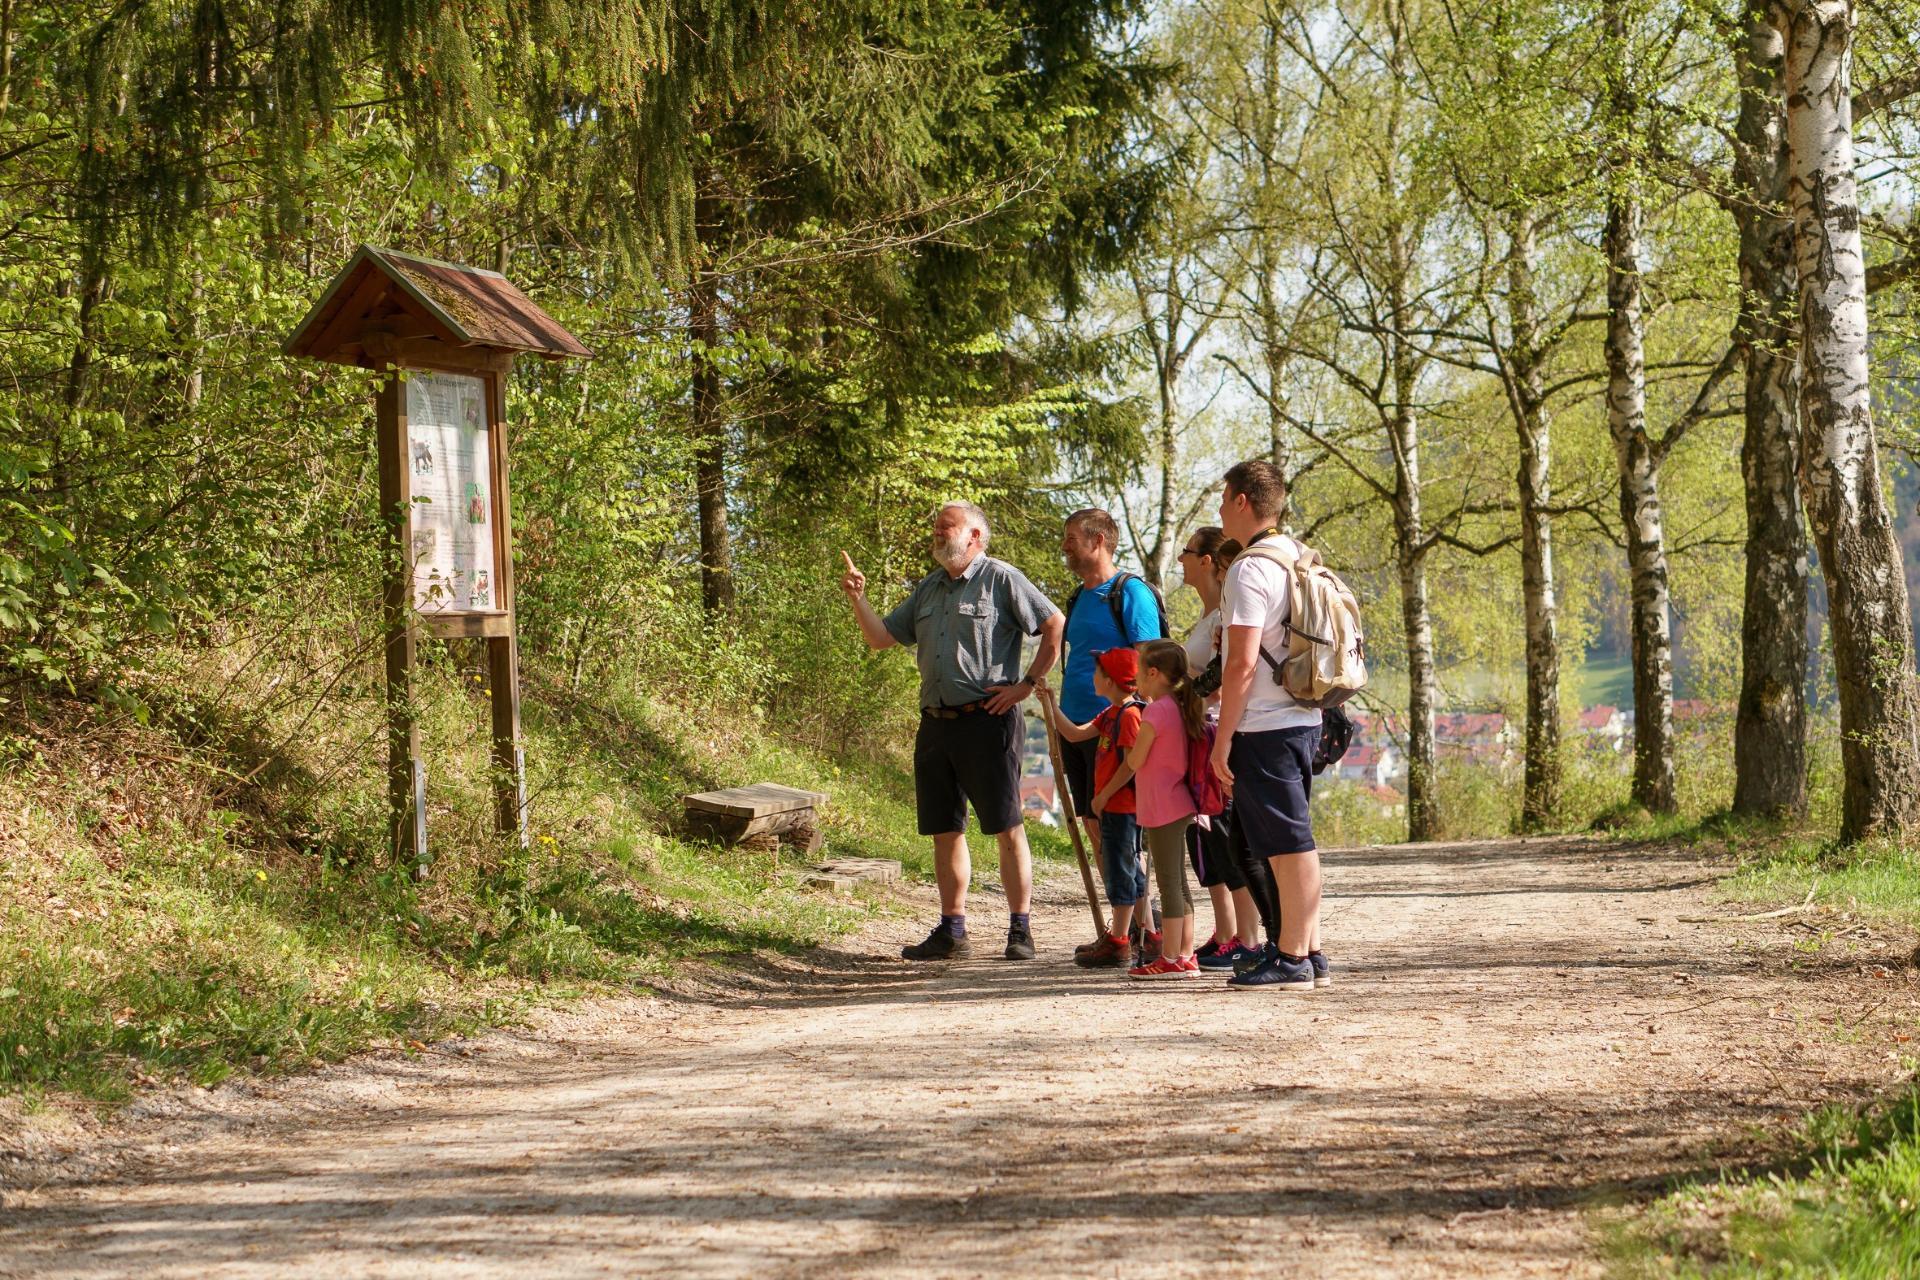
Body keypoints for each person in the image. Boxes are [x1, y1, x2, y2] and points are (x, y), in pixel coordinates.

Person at [840, 502, 1064, 961]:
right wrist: (858, 598)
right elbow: (881, 638)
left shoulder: (1002, 579)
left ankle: (1020, 930)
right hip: (936, 724)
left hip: (989, 721)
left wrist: (1025, 686)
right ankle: (952, 929)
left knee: (1006, 827)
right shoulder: (928, 588)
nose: (938, 532)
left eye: (948, 526)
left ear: (975, 536)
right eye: (936, 526)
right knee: (946, 830)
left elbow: (1054, 624)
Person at [1210, 460, 1330, 991]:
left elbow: (1239, 665)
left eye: (1223, 498)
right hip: (1302, 714)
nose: (1218, 509)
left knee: (1290, 844)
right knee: (1284, 842)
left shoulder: (1249, 568)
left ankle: (1294, 957)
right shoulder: (1296, 555)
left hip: (1265, 725)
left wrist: (1222, 740)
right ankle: (1309, 951)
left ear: (1241, 502)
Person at [1058, 509, 1164, 951]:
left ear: (1098, 540)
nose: (1064, 546)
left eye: (1071, 538)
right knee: (1094, 825)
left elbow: (1151, 663)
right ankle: (1136, 925)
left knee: (1118, 829)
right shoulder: (1077, 598)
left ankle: (1140, 930)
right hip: (1078, 729)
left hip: (1119, 731)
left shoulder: (1129, 593)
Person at [1175, 528, 1266, 970]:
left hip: (1216, 734)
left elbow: (1222, 676)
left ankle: (1248, 936)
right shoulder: (1208, 616)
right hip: (1199, 735)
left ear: (1210, 561)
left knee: (1229, 838)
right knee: (1208, 842)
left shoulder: (1224, 618)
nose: (1181, 561)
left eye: (1188, 553)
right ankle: (1229, 930)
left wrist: (1184, 691)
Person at [1098, 640, 1205, 980]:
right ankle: (1186, 953)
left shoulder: (1156, 710)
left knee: (1170, 884)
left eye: (1141, 673)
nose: (1137, 681)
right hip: (1179, 803)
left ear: (1154, 673)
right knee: (1181, 883)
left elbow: (1136, 758)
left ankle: (1171, 956)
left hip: (1161, 806)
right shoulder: (1179, 705)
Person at [1049, 648, 1152, 969]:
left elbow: (1131, 766)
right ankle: (1148, 933)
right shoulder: (1110, 714)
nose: (1091, 677)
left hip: (1124, 808)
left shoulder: (1131, 716)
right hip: (1113, 808)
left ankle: (1119, 941)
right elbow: (1075, 734)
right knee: (1129, 869)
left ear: (1109, 680)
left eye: (1096, 672)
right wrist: (1051, 705)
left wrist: (1103, 796)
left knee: (1121, 871)